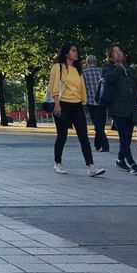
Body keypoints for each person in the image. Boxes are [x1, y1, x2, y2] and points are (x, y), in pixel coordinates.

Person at [47, 42, 105, 177]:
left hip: (77, 105)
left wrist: (84, 103)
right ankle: (57, 163)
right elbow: (53, 85)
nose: (76, 53)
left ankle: (91, 166)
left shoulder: (77, 70)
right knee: (62, 135)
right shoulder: (58, 67)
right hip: (62, 104)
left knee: (84, 137)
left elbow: (82, 88)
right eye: (73, 51)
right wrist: (56, 104)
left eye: (76, 51)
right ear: (66, 53)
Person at [101, 46, 137, 176]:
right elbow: (109, 78)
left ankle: (120, 159)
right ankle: (132, 163)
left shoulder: (129, 70)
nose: (119, 53)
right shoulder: (108, 68)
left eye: (120, 51)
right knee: (124, 136)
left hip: (131, 109)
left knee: (127, 137)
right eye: (115, 52)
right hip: (117, 109)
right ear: (111, 56)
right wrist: (119, 68)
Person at [83, 54, 109, 152]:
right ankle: (98, 144)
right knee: (101, 124)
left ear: (87, 63)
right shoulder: (102, 71)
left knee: (97, 124)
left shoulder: (84, 73)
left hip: (91, 101)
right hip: (103, 100)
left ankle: (105, 145)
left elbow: (83, 88)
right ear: (96, 62)